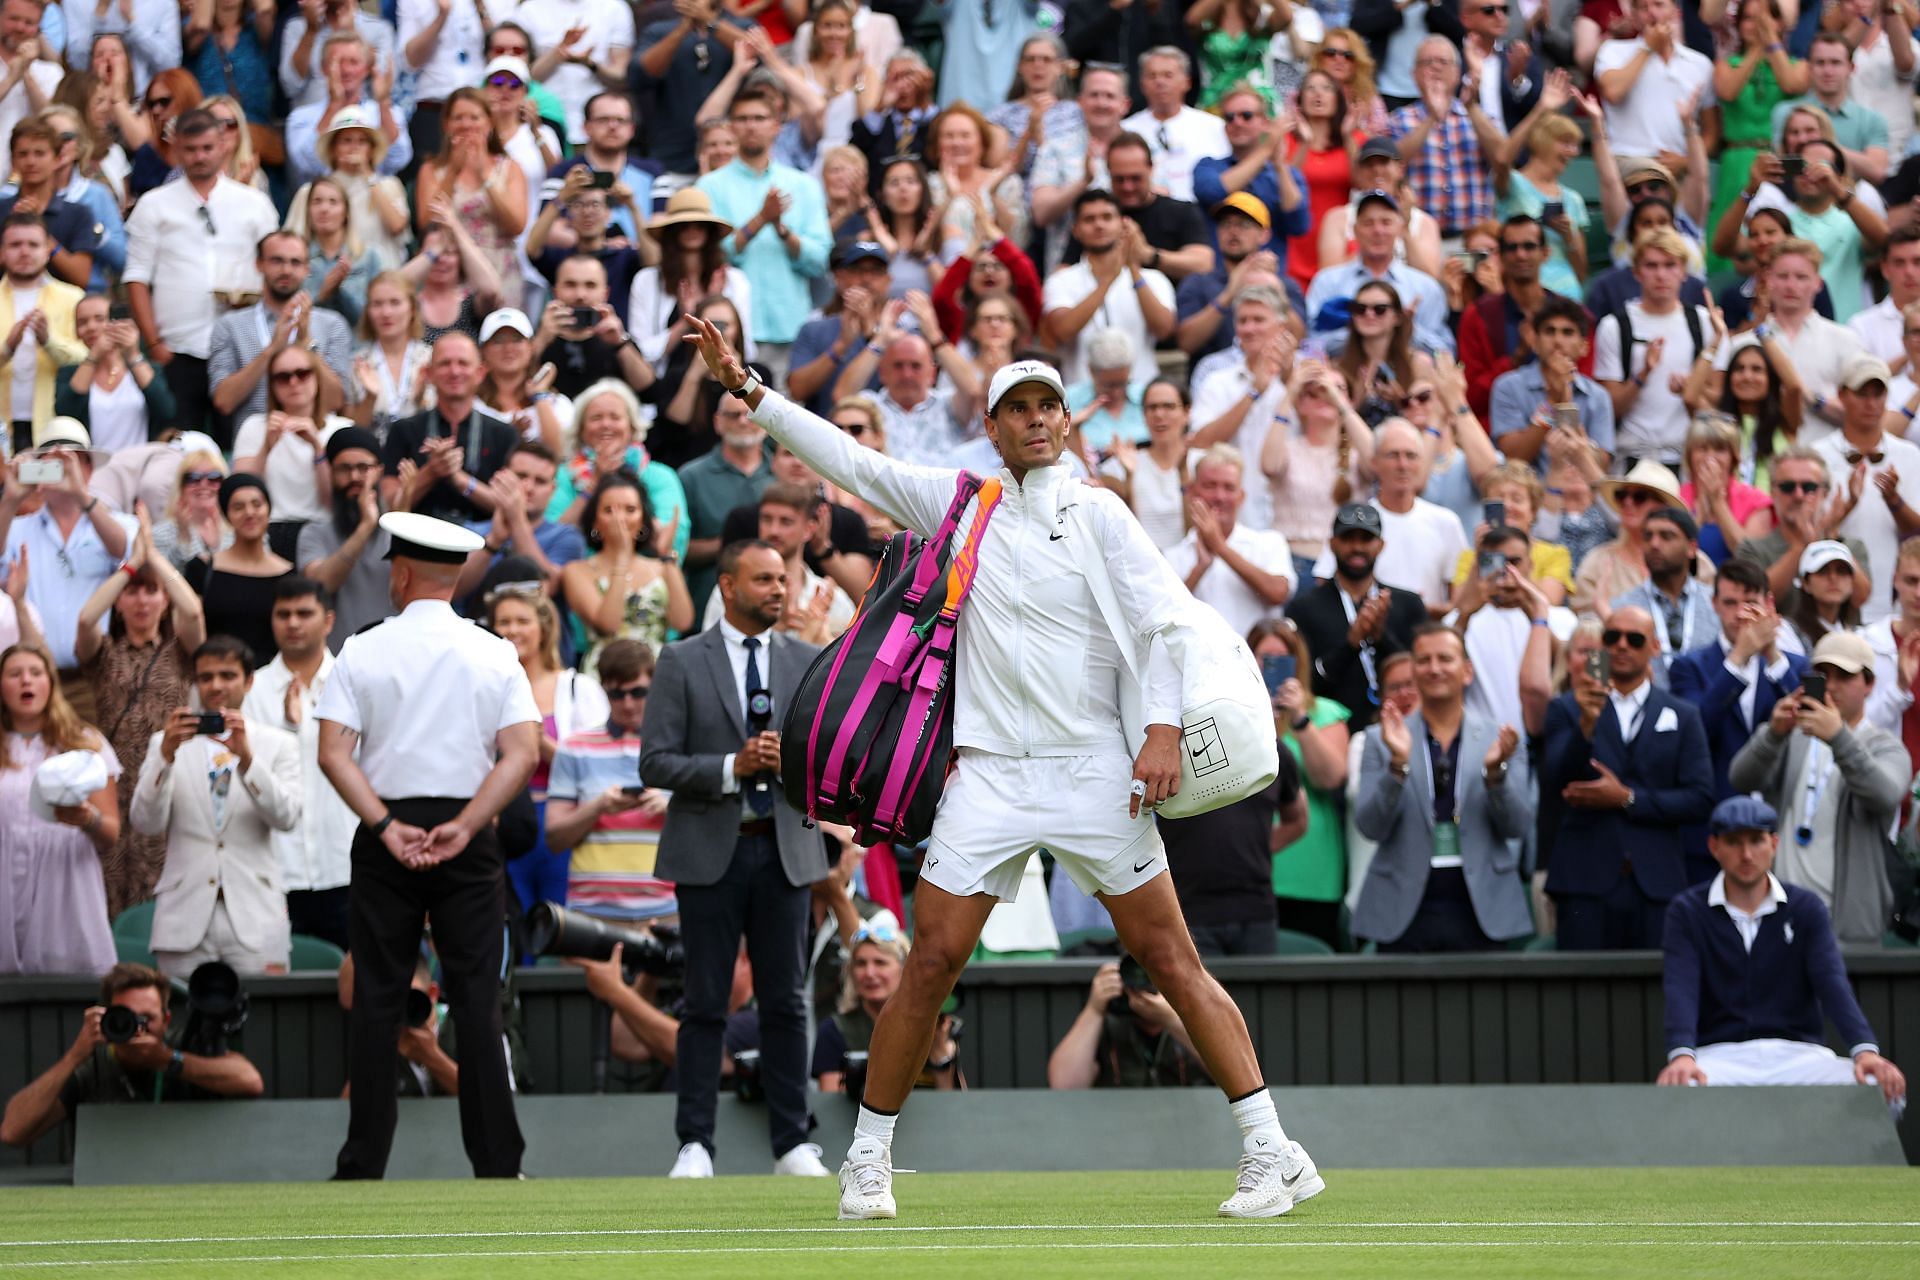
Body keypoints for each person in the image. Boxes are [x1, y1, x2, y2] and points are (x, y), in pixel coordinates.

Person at [692, 320, 1324, 1219]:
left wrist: (1160, 730)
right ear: (992, 427)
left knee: (1168, 959)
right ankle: (867, 1163)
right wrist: (753, 392)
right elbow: (850, 463)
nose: (1032, 421)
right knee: (930, 961)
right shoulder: (958, 505)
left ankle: (1274, 1149)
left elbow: (1169, 626)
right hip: (987, 778)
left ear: (1066, 424)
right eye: (1015, 409)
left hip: (1095, 775)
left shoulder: (1102, 514)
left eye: (1045, 408)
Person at [316, 511, 537, 1181]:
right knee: (476, 997)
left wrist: (384, 825)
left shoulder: (362, 648)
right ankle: (499, 1163)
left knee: (379, 996)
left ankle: (363, 1162)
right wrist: (469, 824)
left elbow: (333, 755)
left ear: (403, 572)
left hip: (389, 833)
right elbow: (521, 753)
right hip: (466, 836)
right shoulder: (495, 649)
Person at [636, 539, 827, 1179]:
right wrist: (729, 768)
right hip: (709, 851)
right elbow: (655, 762)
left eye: (784, 578)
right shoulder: (681, 660)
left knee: (786, 1002)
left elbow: (826, 758)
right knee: (704, 1001)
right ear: (727, 586)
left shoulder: (807, 660)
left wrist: (790, 764)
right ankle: (694, 1143)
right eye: (765, 579)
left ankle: (792, 1142)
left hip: (785, 850)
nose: (779, 589)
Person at [1658, 795, 1906, 1108]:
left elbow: (1831, 981)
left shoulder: (1805, 907)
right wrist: (1682, 1055)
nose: (1746, 854)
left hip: (1799, 1055)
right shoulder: (1687, 911)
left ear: (1774, 844)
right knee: (1677, 1093)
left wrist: (1865, 1050)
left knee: (1881, 1089)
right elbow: (1681, 986)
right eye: (1734, 842)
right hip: (1720, 1056)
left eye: (1756, 841)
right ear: (1714, 847)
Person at [1541, 605, 1716, 949]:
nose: (1621, 645)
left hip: (1657, 882)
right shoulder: (1566, 708)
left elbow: (1701, 798)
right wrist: (1586, 727)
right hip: (1583, 881)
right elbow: (1556, 782)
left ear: (1654, 647)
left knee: (1655, 995)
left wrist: (1627, 799)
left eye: (1634, 639)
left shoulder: (1684, 715)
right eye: (1612, 637)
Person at [1353, 624, 1533, 951]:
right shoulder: (1382, 739)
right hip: (1403, 906)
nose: (1434, 668)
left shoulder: (1502, 739)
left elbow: (1518, 826)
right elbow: (1370, 827)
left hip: (1483, 906)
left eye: (1445, 659)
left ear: (1467, 671)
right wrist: (1397, 765)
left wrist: (1495, 776)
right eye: (1423, 660)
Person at [129, 634, 299, 976]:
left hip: (258, 915)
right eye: (206, 677)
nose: (216, 685)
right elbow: (145, 822)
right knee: (181, 1025)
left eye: (227, 675)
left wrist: (248, 759)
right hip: (183, 917)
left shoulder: (279, 744)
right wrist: (165, 757)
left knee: (266, 1022)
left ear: (249, 681)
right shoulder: (166, 743)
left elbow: (287, 817)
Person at [1727, 631, 1908, 945]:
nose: (1833, 685)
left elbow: (1885, 794)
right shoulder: (1791, 736)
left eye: (1845, 676)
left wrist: (1838, 737)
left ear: (1869, 685)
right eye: (1823, 675)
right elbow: (1740, 779)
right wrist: (1773, 734)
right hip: (1782, 916)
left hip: (1849, 924)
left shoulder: (1885, 746)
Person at [74, 504, 206, 919]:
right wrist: (131, 567)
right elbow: (85, 618)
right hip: (114, 782)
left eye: (151, 591)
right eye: (133, 592)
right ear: (120, 601)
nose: (142, 600)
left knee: (164, 878)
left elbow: (195, 611)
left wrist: (154, 558)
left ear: (164, 601)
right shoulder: (103, 655)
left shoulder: (179, 653)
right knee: (110, 881)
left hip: (165, 778)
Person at [121, 108, 280, 443]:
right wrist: (155, 344)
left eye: (207, 148)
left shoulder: (254, 203)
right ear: (176, 148)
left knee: (244, 441)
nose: (199, 157)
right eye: (190, 150)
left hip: (242, 348)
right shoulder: (154, 204)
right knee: (178, 447)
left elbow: (276, 266)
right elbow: (136, 278)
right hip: (178, 347)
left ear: (224, 144)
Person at [0, 961, 264, 1149]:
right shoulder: (92, 1065)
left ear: (166, 1019)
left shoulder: (181, 1046)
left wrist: (167, 1060)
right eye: (126, 1017)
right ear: (107, 1018)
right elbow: (13, 1130)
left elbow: (249, 1080)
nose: (139, 1027)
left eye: (147, 1018)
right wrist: (74, 1056)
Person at [1668, 556, 1809, 877]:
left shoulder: (1795, 666)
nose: (1740, 613)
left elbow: (1808, 727)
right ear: (1714, 604)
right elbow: (1696, 732)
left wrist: (1771, 653)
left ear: (1769, 604)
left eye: (1751, 602)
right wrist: (1738, 658)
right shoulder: (1688, 666)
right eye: (1730, 603)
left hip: (1783, 825)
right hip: (1712, 828)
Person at [240, 577, 353, 951]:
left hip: (345, 862)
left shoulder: (352, 684)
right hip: (274, 868)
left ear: (329, 620)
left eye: (304, 613)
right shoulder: (249, 691)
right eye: (283, 614)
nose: (292, 623)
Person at [0, 641, 120, 975]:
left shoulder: (86, 744)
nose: (26, 681)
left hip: (65, 882)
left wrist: (88, 819)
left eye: (36, 673)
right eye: (15, 674)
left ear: (50, 684)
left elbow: (110, 833)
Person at [0, 422, 136, 715]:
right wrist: (11, 498)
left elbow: (125, 550)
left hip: (95, 676)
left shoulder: (117, 522)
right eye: (49, 464)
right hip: (32, 678)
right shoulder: (16, 527)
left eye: (69, 462)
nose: (59, 471)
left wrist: (81, 496)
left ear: (87, 468)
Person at [697, 82, 830, 378]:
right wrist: (760, 220)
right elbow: (710, 256)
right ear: (732, 127)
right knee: (732, 414)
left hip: (790, 323)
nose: (751, 126)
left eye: (759, 119)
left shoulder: (803, 185)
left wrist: (781, 229)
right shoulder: (710, 186)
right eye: (742, 119)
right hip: (731, 327)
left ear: (777, 127)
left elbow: (819, 259)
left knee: (786, 418)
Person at [545, 637, 675, 927]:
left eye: (638, 692)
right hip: (592, 912)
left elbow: (708, 828)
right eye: (616, 694)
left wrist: (671, 808)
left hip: (665, 909)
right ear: (603, 691)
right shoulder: (574, 747)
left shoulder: (680, 745)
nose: (627, 704)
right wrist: (599, 806)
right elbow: (554, 837)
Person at [1162, 729, 1307, 957]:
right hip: (1187, 910)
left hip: (1256, 908)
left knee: (1261, 993)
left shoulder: (1270, 746)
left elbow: (1297, 820)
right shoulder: (1168, 746)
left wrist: (1248, 850)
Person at [1287, 501, 1429, 731]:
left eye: (1366, 539)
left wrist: (1381, 635)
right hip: (1332, 732)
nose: (1357, 547)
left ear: (1381, 545)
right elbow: (1305, 684)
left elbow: (1421, 676)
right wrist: (1350, 645)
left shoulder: (1408, 604)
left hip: (1405, 728)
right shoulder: (1303, 608)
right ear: (1332, 544)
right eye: (1348, 538)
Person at [1593, 227, 1718, 470]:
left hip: (1688, 457)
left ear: (1684, 271)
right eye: (1651, 266)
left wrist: (1691, 390)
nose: (1661, 275)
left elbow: (1719, 401)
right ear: (1637, 272)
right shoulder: (1614, 326)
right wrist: (1642, 375)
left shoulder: (1705, 323)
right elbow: (1609, 408)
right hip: (1632, 456)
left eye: (1670, 265)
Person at [1811, 355, 1920, 625]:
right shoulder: (1817, 456)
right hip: (1835, 602)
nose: (1871, 403)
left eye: (1878, 393)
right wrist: (1846, 508)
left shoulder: (1909, 456)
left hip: (1894, 604)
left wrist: (1894, 500)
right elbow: (1811, 532)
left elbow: (1916, 531)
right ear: (1842, 395)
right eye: (1862, 393)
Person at [230, 343, 354, 563]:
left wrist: (318, 449)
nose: (293, 382)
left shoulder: (342, 429)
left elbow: (333, 502)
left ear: (317, 377)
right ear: (272, 385)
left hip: (322, 530)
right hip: (269, 530)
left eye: (302, 373)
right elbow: (240, 492)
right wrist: (267, 447)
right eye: (282, 377)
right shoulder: (254, 427)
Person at [1040, 189, 1175, 388]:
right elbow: (1062, 331)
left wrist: (1134, 270)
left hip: (1141, 399)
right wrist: (1107, 280)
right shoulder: (1061, 280)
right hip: (1081, 396)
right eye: (1089, 219)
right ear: (1076, 229)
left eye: (1107, 217)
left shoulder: (1153, 279)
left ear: (1123, 224)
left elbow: (1164, 329)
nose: (1099, 225)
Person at [383, 334, 518, 527]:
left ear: (480, 373)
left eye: (463, 363)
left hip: (484, 545)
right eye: (445, 364)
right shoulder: (404, 430)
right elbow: (391, 507)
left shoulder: (504, 434)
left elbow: (511, 508)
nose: (454, 372)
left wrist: (460, 480)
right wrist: (431, 471)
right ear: (428, 374)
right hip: (417, 538)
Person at [562, 471, 693, 670]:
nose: (620, 518)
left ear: (643, 519)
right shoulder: (577, 570)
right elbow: (608, 625)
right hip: (605, 672)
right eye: (609, 510)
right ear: (595, 521)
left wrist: (666, 555)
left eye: (630, 510)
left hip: (657, 670)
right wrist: (622, 558)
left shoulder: (661, 567)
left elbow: (683, 622)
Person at [413, 88, 528, 313]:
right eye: (458, 117)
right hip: (449, 271)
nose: (466, 125)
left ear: (489, 122)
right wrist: (453, 171)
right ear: (446, 124)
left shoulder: (510, 168)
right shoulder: (431, 170)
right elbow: (426, 222)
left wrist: (484, 176)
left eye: (474, 117)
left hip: (498, 268)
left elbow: (517, 225)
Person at [1164, 445, 1295, 638]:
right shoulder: (1173, 555)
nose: (1219, 497)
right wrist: (1199, 568)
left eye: (1229, 487)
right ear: (1192, 492)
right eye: (1210, 486)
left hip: (1255, 664)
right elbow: (1166, 619)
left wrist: (1219, 547)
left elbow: (1278, 593)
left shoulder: (1269, 543)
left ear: (1241, 496)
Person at [815, 921, 963, 1091]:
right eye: (861, 964)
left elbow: (956, 1108)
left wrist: (941, 1059)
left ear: (905, 969)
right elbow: (830, 1108)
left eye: (880, 963)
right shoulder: (836, 1029)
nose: (869, 973)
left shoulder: (933, 1027)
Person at [1304, 188, 1452, 354]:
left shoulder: (1424, 287)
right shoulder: (1327, 281)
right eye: (1368, 223)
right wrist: (1358, 329)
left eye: (1386, 222)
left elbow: (1445, 351)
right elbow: (1308, 345)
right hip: (1341, 374)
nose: (1378, 231)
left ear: (1400, 228)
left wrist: (1408, 330)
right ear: (1354, 230)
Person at [1188, 84, 1313, 278]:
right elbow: (1213, 191)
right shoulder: (1208, 166)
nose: (1237, 122)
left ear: (1265, 122)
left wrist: (1279, 165)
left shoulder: (1286, 174)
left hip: (1269, 284)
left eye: (1246, 115)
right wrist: (1267, 149)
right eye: (1229, 117)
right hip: (1217, 283)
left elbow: (1299, 224)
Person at [1386, 37, 1500, 246]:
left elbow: (1502, 160)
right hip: (1419, 237)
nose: (1435, 67)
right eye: (1427, 62)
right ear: (1414, 75)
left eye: (1443, 61)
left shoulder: (1479, 117)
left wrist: (1472, 109)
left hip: (1473, 238)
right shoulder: (1398, 119)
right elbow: (1392, 164)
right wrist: (1431, 116)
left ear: (1457, 73)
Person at [1732, 447, 1870, 617]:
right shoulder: (1751, 549)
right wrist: (1800, 547)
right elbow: (1754, 599)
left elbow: (1860, 597)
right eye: (1788, 487)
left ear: (1825, 493)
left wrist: (1830, 541)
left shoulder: (1849, 546)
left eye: (1809, 487)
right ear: (1773, 492)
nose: (1798, 495)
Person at [1045, 959, 1211, 1089]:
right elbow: (1064, 1085)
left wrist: (1174, 1021)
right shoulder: (1106, 1024)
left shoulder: (1194, 1020)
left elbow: (1231, 1073)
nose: (1147, 982)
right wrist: (1094, 1010)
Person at [298, 428, 394, 649]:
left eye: (364, 468)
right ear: (331, 473)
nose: (354, 478)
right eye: (344, 469)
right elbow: (319, 585)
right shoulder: (314, 533)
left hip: (390, 660)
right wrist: (366, 526)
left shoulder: (397, 532)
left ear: (379, 471)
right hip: (336, 662)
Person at [182, 476, 292, 665]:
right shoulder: (202, 568)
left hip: (270, 682)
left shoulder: (288, 574)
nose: (249, 513)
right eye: (238, 507)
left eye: (257, 504)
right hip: (216, 677)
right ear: (227, 515)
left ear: (268, 510)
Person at [1593, 0, 1714, 167]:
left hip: (1680, 168)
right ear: (1633, 16)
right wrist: (1648, 47)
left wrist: (1686, 162)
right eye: (1643, 7)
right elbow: (1613, 92)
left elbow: (1711, 132)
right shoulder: (1612, 50)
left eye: (1659, 5)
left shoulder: (1700, 63)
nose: (1651, 13)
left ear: (1676, 12)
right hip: (1628, 164)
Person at [1609, 505, 1718, 686]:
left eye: (1666, 536)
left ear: (1691, 548)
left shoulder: (1717, 604)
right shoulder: (1622, 608)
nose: (1654, 544)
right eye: (1648, 536)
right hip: (1645, 709)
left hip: (1708, 708)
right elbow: (1598, 671)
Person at [56, 293, 173, 452]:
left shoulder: (146, 368)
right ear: (77, 332)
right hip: (93, 470)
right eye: (82, 322)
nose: (91, 327)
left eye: (100, 319)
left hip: (139, 468)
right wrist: (94, 356)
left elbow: (166, 410)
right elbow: (66, 414)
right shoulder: (69, 373)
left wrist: (132, 354)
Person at [1122, 46, 1229, 204]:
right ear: (1142, 84)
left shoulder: (1214, 127)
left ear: (1187, 82)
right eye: (1152, 76)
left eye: (1168, 75)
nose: (1160, 82)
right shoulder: (1126, 130)